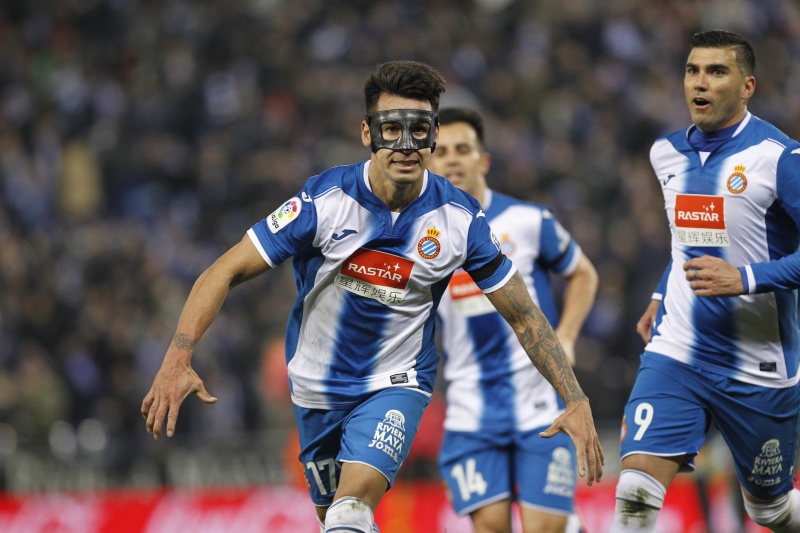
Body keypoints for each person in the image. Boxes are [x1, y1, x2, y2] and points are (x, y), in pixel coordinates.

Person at [140, 60, 604, 533]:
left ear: (433, 135)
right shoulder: (324, 202)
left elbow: (524, 316)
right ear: (368, 133)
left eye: (418, 130)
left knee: (350, 512)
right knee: (336, 523)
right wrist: (178, 355)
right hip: (315, 389)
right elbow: (226, 269)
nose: (405, 145)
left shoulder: (460, 220)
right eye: (391, 129)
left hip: (396, 383)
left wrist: (574, 397)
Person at [610, 30, 800, 533]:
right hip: (678, 351)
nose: (700, 82)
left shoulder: (780, 159)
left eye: (717, 72)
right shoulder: (665, 153)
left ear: (747, 86)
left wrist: (745, 278)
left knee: (771, 511)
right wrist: (660, 293)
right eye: (692, 70)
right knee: (634, 494)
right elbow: (688, 242)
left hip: (759, 366)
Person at [428, 107, 598, 533]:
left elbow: (583, 273)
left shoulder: (528, 221)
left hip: (537, 404)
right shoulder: (421, 238)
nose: (452, 160)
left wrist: (567, 336)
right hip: (469, 412)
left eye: (462, 149)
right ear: (428, 163)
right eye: (441, 151)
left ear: (483, 160)